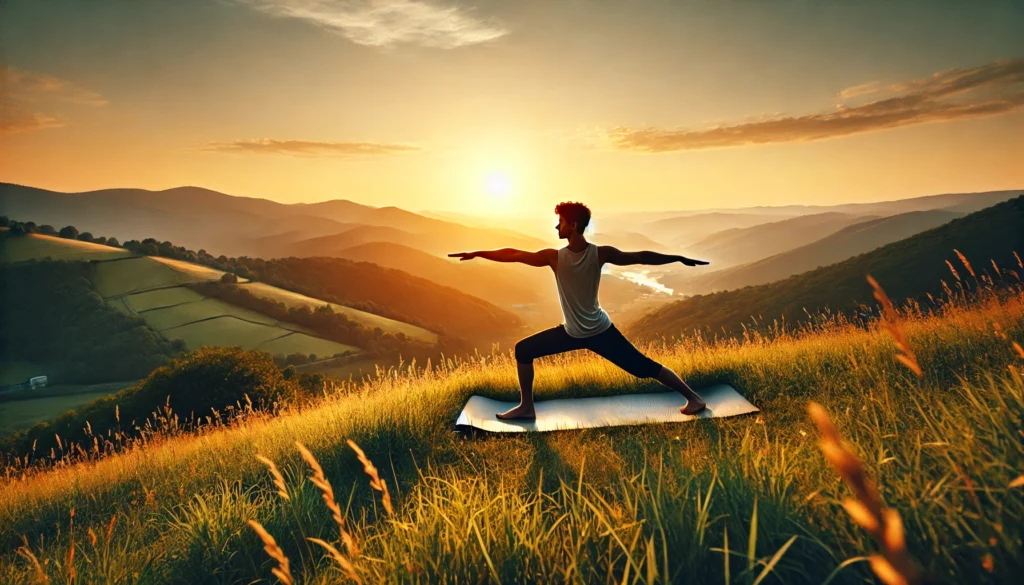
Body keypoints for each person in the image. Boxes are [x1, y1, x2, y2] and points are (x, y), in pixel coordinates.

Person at [448, 201, 710, 420]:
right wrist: (478, 253)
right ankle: (527, 407)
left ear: (573, 226)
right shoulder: (556, 257)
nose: (556, 226)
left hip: (600, 332)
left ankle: (694, 399)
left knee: (643, 368)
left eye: (560, 222)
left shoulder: (596, 254)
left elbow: (639, 256)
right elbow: (514, 254)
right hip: (571, 332)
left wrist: (676, 258)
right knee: (523, 350)